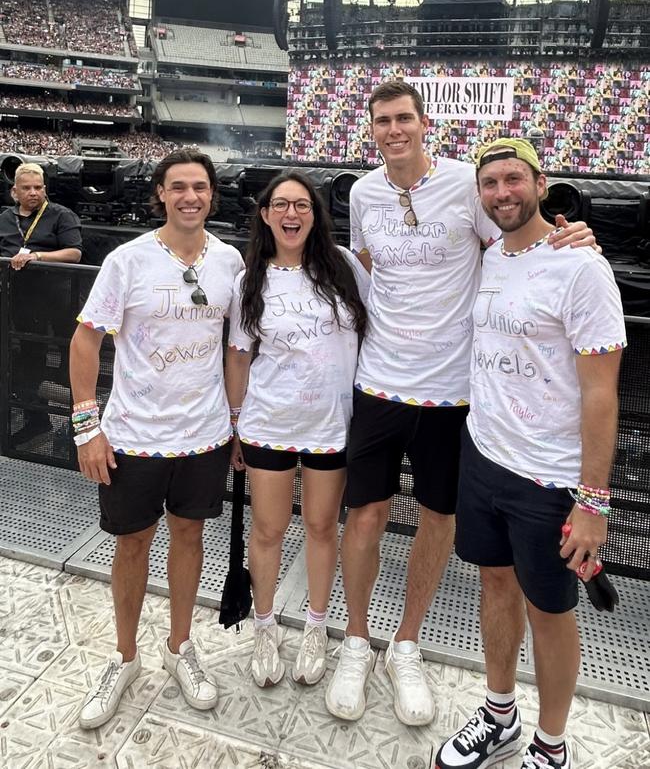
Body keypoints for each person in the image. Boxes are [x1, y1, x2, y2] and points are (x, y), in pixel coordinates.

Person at [325, 81, 597, 726]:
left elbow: (514, 238)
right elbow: (368, 264)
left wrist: (571, 240)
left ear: (425, 125)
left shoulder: (462, 187)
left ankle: (407, 643)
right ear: (372, 130)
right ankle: (357, 643)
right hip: (379, 381)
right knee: (362, 516)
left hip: (454, 391)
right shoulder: (363, 194)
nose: (394, 130)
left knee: (438, 518)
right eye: (383, 121)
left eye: (405, 119)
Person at [434, 138, 625, 769]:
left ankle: (552, 744)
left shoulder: (581, 267)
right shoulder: (490, 255)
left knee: (550, 611)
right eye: (489, 184)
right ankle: (499, 715)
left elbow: (601, 394)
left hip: (550, 477)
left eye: (513, 179)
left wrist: (593, 501)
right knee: (493, 586)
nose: (501, 194)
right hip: (485, 455)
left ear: (540, 184)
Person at [69, 148, 243, 729]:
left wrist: (238, 423)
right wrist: (87, 427)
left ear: (211, 195)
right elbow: (85, 342)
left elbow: (237, 349)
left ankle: (178, 646)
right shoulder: (127, 261)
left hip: (204, 434)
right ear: (161, 195)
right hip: (134, 436)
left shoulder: (231, 263)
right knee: (132, 546)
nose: (190, 197)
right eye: (178, 187)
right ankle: (123, 658)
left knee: (189, 537)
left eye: (200, 187)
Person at [225, 169, 369, 688]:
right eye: (281, 205)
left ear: (315, 213)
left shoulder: (346, 268)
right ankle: (264, 627)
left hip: (331, 425)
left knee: (321, 527)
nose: (291, 214)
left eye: (302, 205)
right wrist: (235, 424)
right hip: (268, 422)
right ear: (265, 215)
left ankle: (315, 625)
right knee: (267, 529)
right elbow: (239, 357)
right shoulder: (251, 279)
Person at [0, 162, 82, 444]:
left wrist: (36, 256)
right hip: (20, 301)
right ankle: (37, 420)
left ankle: (78, 430)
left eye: (38, 188)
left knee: (70, 362)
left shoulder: (61, 215)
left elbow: (74, 253)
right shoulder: (4, 218)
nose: (34, 193)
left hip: (59, 300)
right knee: (26, 362)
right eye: (27, 188)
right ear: (14, 192)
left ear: (45, 189)